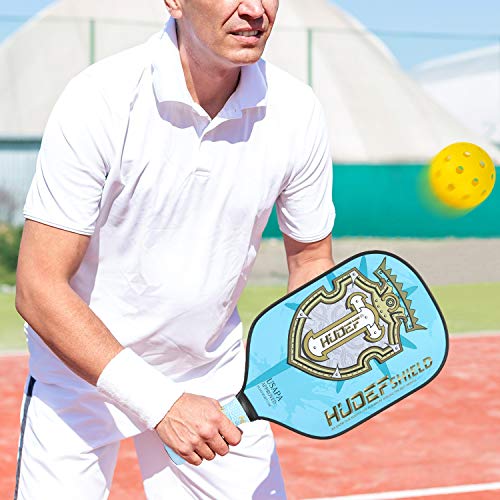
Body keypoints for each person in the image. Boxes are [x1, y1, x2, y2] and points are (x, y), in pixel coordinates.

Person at [14, 0, 335, 498]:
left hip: (212, 374)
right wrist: (159, 403)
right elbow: (38, 287)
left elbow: (311, 259)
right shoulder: (99, 98)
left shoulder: (297, 110)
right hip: (79, 376)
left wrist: (319, 347)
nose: (255, 10)